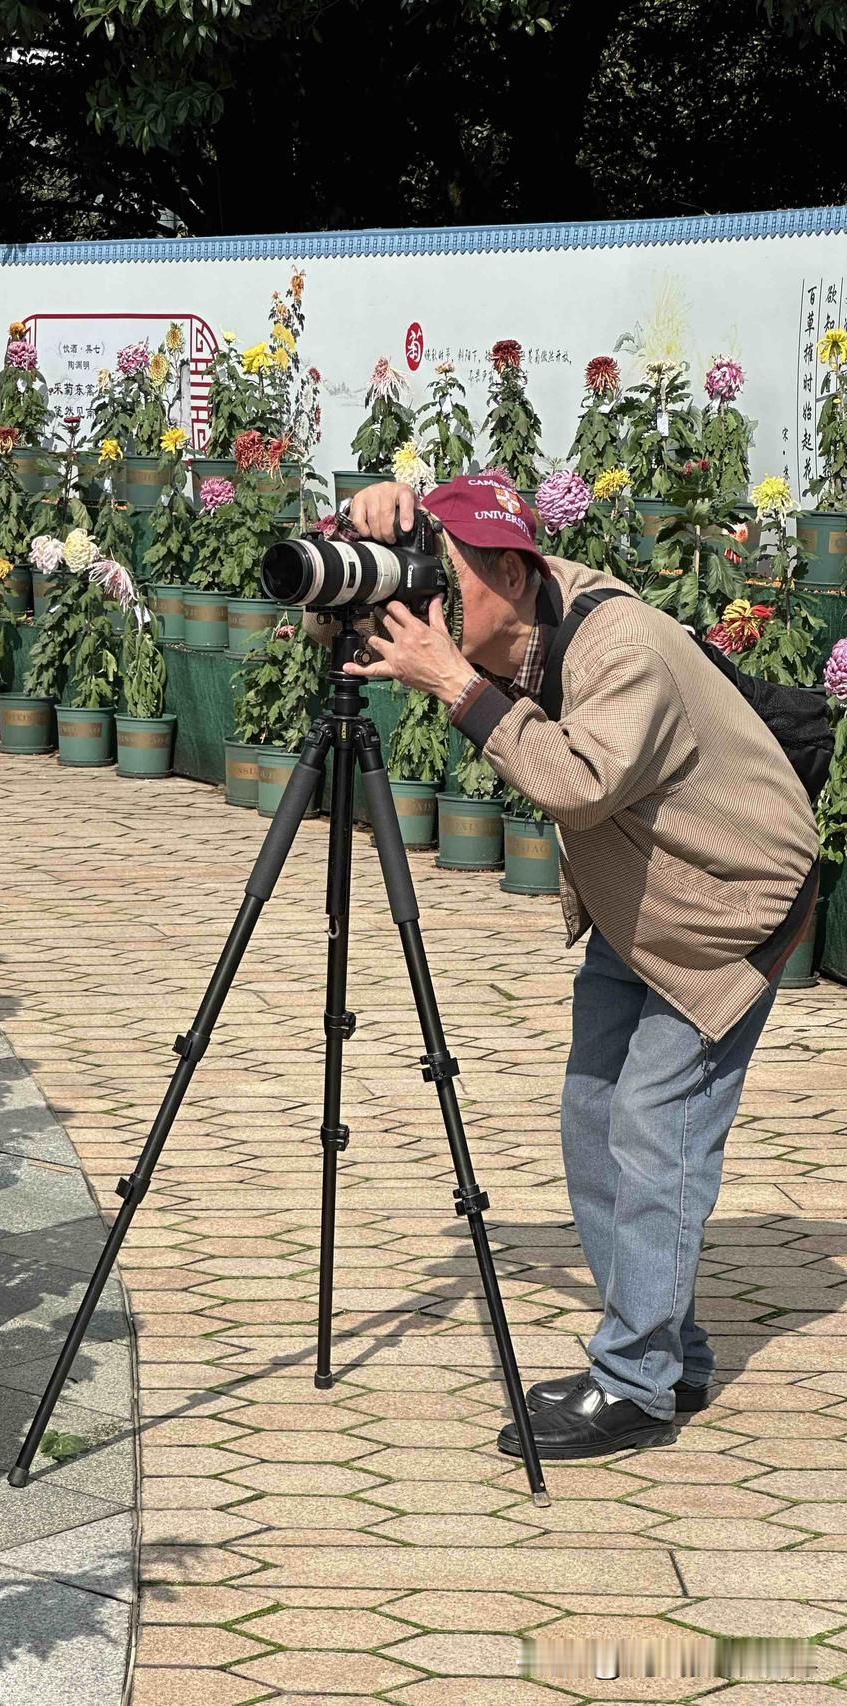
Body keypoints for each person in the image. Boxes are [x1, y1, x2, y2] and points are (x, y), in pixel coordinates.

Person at [311, 471, 819, 1460]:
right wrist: (368, 518)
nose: (424, 606)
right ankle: (667, 1349)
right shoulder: (520, 606)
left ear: (509, 571)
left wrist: (456, 685)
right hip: (647, 899)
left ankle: (633, 1386)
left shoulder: (614, 642)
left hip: (729, 903)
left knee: (652, 1128)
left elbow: (574, 782)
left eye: (440, 581)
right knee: (591, 1114)